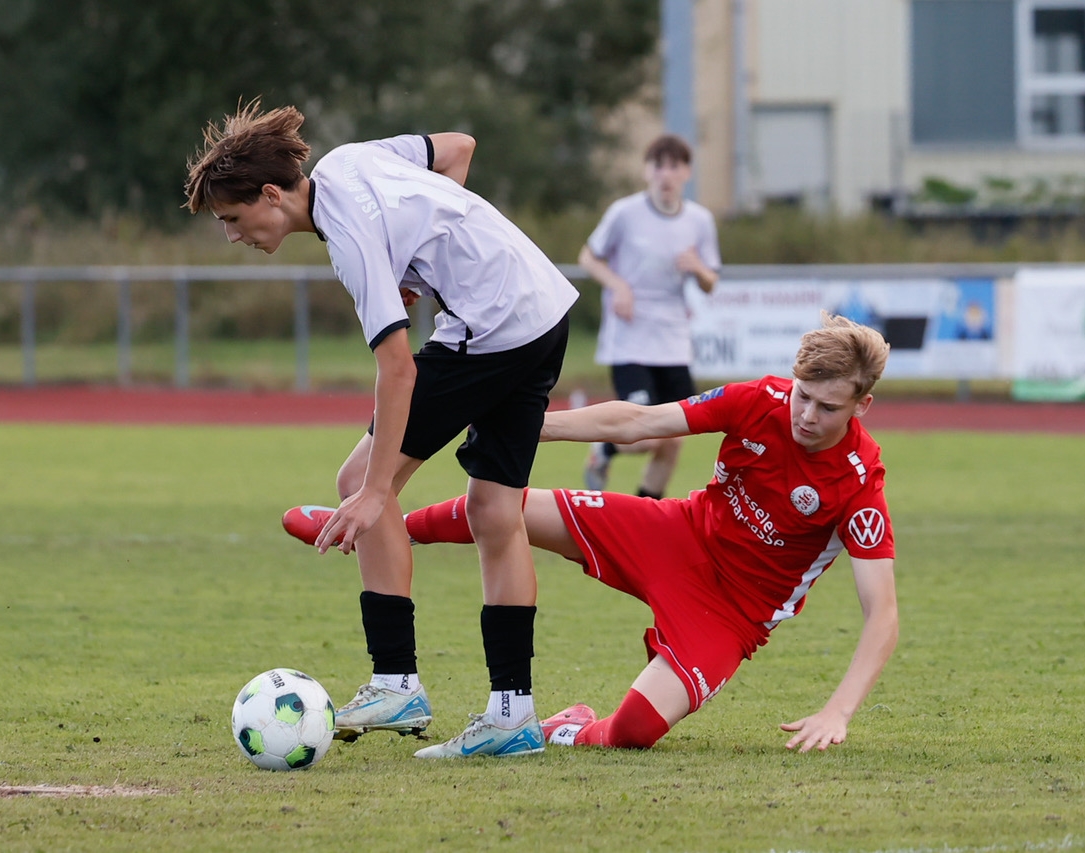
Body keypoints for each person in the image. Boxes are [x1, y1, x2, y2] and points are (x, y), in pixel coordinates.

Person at [285, 313, 897, 752]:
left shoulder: (858, 483)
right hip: (677, 533)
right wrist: (528, 424)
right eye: (802, 396)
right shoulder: (759, 399)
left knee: (634, 732)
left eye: (827, 407)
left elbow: (883, 615)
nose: (806, 415)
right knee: (506, 509)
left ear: (861, 406)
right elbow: (636, 422)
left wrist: (838, 711)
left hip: (733, 613)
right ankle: (376, 526)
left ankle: (567, 727)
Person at [186, 100, 578, 759]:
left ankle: (396, 682)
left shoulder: (348, 240)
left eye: (231, 218)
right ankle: (512, 713)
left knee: (358, 479)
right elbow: (459, 146)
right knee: (493, 510)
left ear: (273, 195)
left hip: (493, 326)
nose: (231, 235)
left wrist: (374, 492)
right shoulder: (352, 159)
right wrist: (425, 256)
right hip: (543, 308)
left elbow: (398, 370)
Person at [578, 133, 721, 499]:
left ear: (687, 172)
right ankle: (604, 448)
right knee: (643, 435)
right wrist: (618, 285)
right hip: (630, 339)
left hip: (673, 341)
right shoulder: (624, 213)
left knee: (673, 436)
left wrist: (698, 268)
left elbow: (710, 283)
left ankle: (646, 512)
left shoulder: (699, 220)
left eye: (674, 166)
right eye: (659, 166)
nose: (666, 174)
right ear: (647, 171)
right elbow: (588, 257)